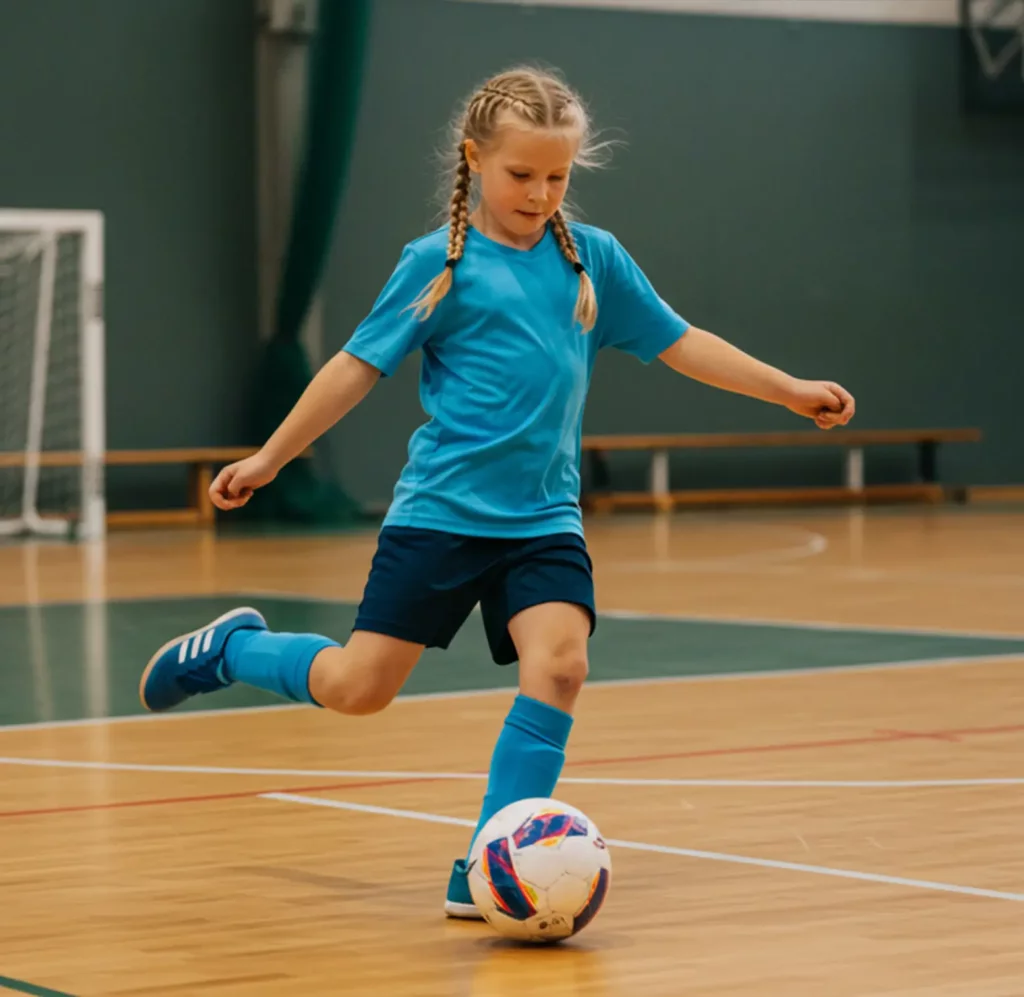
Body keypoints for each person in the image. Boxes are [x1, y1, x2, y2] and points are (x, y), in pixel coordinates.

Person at [138, 67, 855, 918]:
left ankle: (489, 858)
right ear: (475, 159)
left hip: (544, 520)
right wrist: (270, 457)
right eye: (522, 174)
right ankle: (233, 649)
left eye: (558, 176)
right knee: (360, 688)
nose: (541, 194)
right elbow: (354, 368)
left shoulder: (593, 260)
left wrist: (786, 388)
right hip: (440, 516)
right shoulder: (438, 265)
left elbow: (679, 340)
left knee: (562, 665)